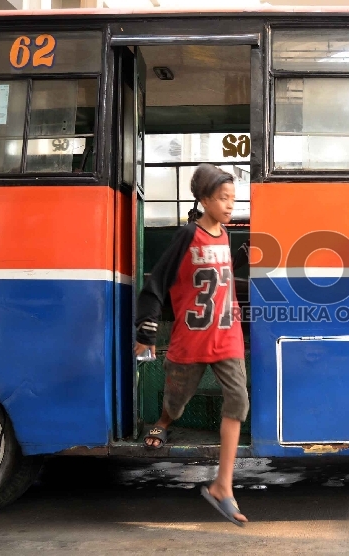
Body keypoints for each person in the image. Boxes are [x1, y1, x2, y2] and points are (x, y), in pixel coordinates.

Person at [134, 163, 249, 526]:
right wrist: (145, 333)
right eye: (223, 198)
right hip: (192, 336)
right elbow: (156, 283)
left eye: (233, 197)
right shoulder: (187, 236)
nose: (230, 205)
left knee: (238, 399)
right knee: (177, 402)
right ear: (203, 200)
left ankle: (223, 486)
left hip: (227, 334)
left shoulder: (227, 237)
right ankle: (163, 421)